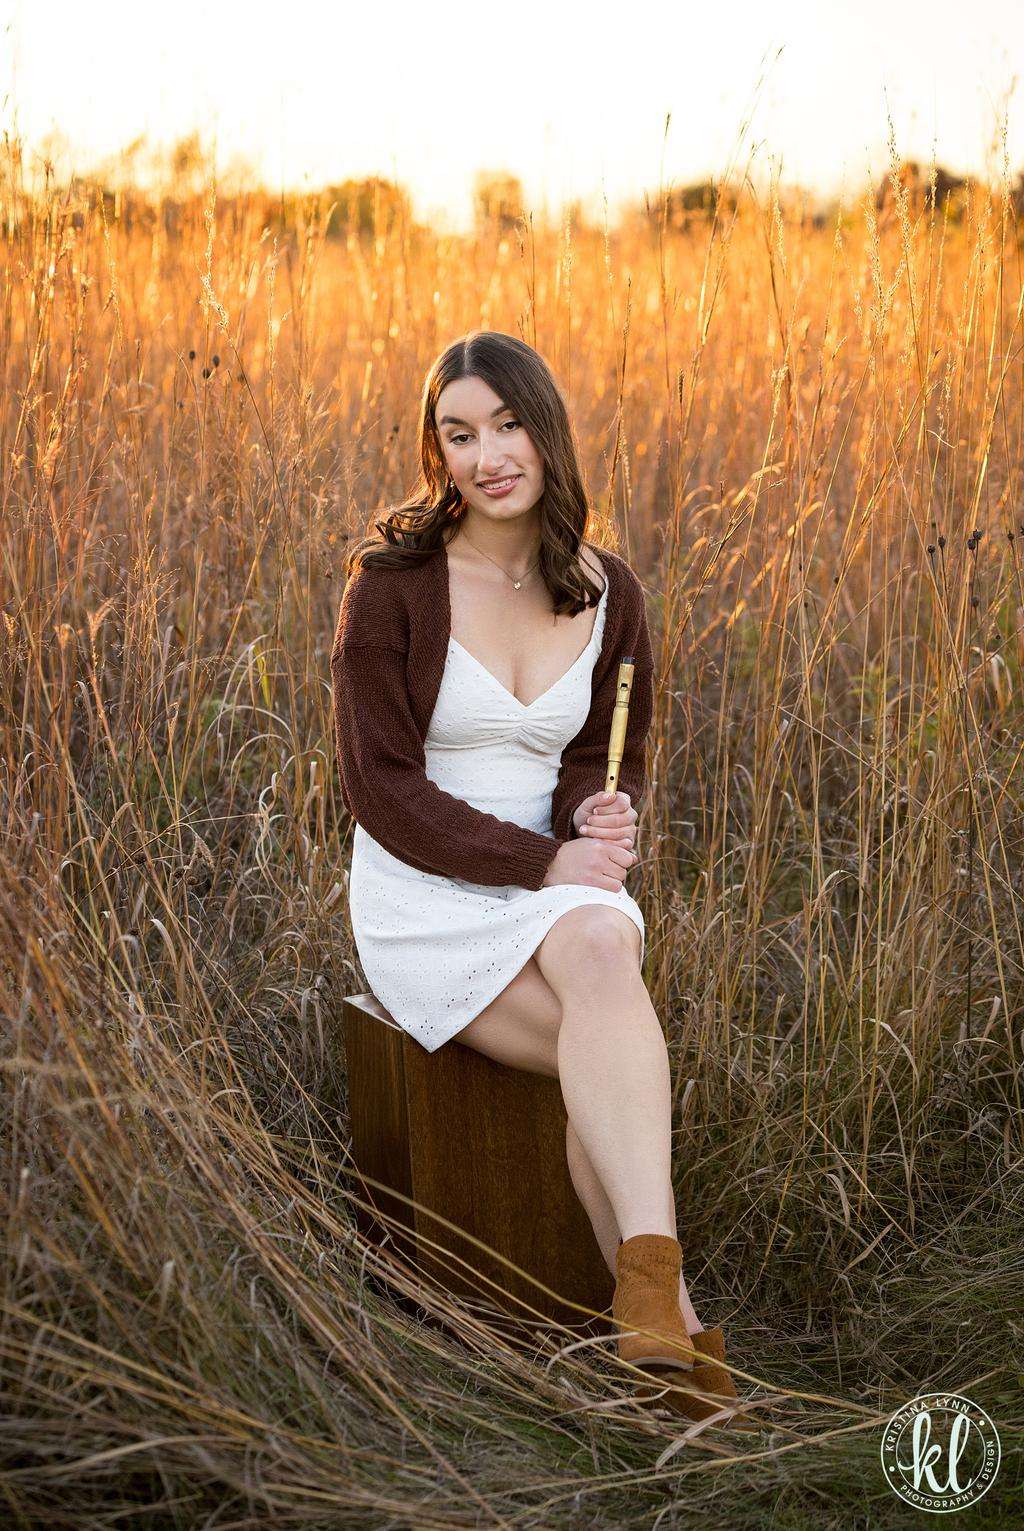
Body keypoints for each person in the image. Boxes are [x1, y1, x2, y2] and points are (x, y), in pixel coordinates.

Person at [331, 330, 754, 1426]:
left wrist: (592, 812)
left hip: (555, 891)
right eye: (458, 434)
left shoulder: (606, 590)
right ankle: (682, 1334)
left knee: (602, 947)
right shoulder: (392, 589)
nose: (486, 455)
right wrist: (545, 856)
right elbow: (381, 790)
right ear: (438, 453)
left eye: (506, 425)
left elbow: (597, 758)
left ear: (544, 428)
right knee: (603, 998)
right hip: (426, 892)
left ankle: (655, 1320)